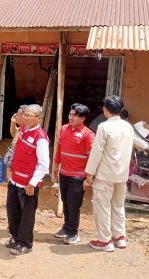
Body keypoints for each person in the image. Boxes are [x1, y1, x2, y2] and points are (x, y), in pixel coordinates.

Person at [84, 96, 134, 252]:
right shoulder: (128, 127)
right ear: (120, 110)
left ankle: (105, 240)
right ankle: (119, 237)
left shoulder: (104, 127)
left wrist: (89, 174)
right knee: (118, 206)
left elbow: (96, 152)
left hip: (106, 174)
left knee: (102, 207)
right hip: (122, 174)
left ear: (105, 110)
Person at [5, 104, 49, 255]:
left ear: (38, 118)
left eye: (28, 116)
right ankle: (16, 237)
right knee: (13, 211)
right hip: (15, 179)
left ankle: (25, 243)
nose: (24, 118)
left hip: (27, 184)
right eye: (24, 115)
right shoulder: (24, 129)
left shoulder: (41, 138)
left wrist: (32, 183)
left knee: (27, 215)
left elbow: (43, 165)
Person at [51, 103, 95, 245]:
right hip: (64, 173)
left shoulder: (88, 135)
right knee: (65, 201)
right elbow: (59, 150)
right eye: (70, 114)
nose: (70, 117)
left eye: (74, 115)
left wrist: (88, 178)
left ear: (82, 118)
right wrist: (55, 168)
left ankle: (73, 232)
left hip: (77, 176)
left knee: (73, 204)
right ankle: (66, 227)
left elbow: (91, 158)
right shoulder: (64, 129)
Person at [4, 105, 26, 179]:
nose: (16, 117)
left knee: (14, 178)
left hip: (19, 158)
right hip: (13, 153)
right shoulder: (21, 128)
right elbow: (13, 134)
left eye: (18, 116)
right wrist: (13, 123)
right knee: (9, 173)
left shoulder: (28, 130)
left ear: (25, 117)